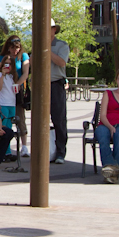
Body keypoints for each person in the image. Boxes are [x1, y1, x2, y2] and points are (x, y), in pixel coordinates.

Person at [92, 67, 119, 184]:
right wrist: (111, 127)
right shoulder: (108, 94)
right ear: (116, 80)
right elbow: (103, 115)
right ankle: (112, 168)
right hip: (105, 123)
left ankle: (111, 171)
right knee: (102, 135)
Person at [0, 36, 31, 157]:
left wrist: (17, 84)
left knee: (20, 117)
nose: (15, 51)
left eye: (17, 48)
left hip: (18, 88)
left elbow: (26, 73)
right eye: (12, 48)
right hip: (6, 89)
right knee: (6, 119)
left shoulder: (23, 56)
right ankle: (5, 147)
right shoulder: (3, 58)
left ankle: (24, 146)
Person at [47, 22, 70, 164]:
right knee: (40, 120)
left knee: (59, 119)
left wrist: (47, 51)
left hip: (56, 85)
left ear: (54, 30)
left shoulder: (62, 45)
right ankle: (43, 151)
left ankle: (61, 152)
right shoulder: (37, 44)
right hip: (40, 85)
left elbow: (62, 62)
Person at [0, 58, 20, 163]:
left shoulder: (13, 76)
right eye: (6, 64)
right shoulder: (0, 75)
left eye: (10, 64)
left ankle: (7, 152)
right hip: (3, 104)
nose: (8, 66)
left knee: (9, 129)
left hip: (11, 104)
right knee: (1, 128)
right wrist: (3, 74)